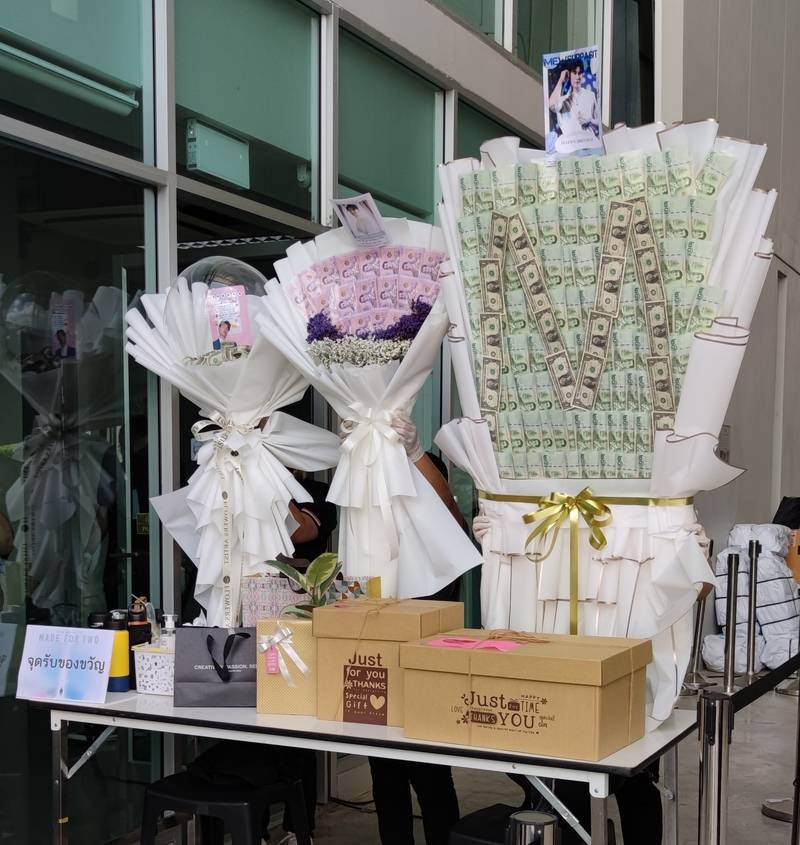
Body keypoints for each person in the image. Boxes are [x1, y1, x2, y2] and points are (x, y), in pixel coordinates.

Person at [366, 410, 462, 844]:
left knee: (430, 770)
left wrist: (415, 453)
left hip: (429, 660)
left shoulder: (442, 536)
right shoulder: (371, 534)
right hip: (381, 654)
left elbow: (449, 510)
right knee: (384, 770)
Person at [548, 59, 599, 141]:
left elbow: (599, 123)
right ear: (569, 75)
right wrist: (561, 80)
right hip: (570, 145)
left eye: (580, 73)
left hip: (588, 143)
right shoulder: (563, 100)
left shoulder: (590, 95)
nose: (577, 77)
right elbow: (551, 105)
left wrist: (590, 120)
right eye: (574, 73)